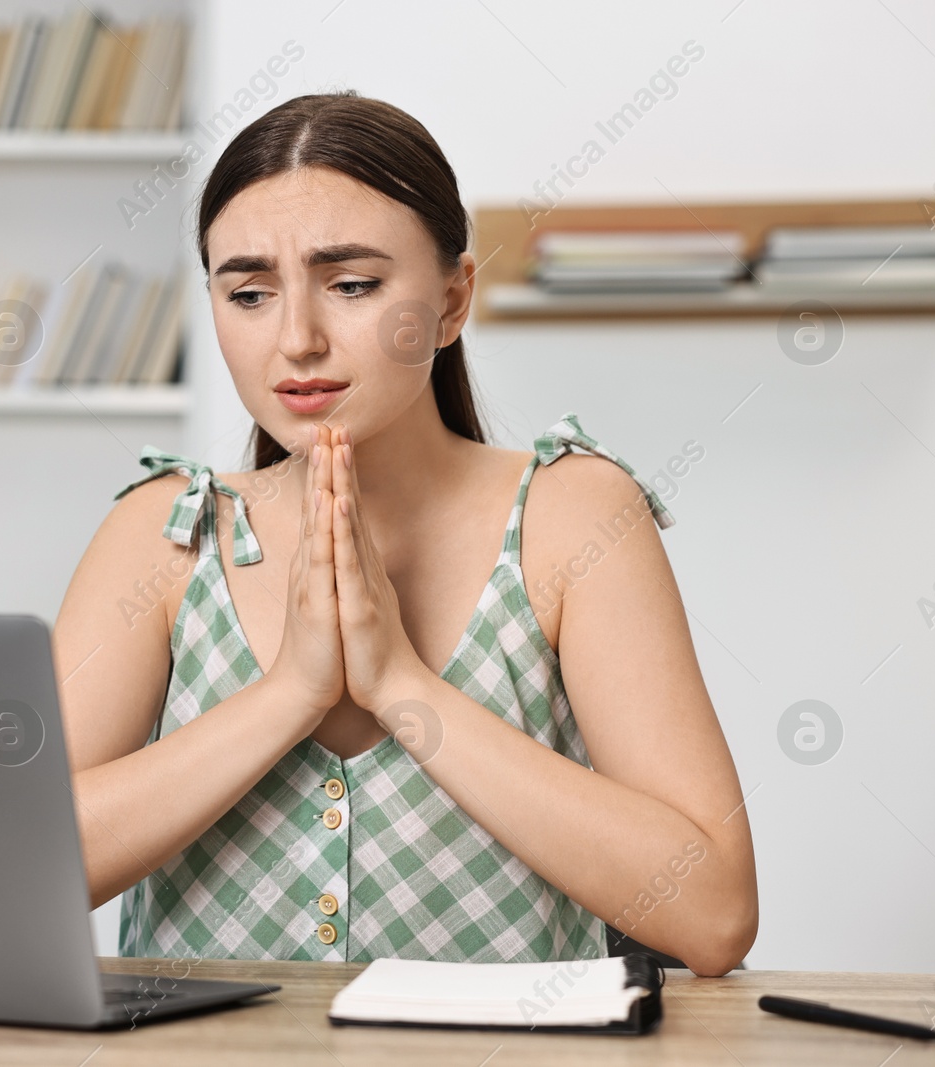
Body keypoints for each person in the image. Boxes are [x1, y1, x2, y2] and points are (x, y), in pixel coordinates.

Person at [53, 92, 757, 976]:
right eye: (249, 293)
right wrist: (287, 696)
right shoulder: (163, 532)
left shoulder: (574, 516)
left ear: (453, 300)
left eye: (352, 285)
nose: (298, 339)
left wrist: (399, 683)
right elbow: (3, 874)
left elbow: (714, 914)